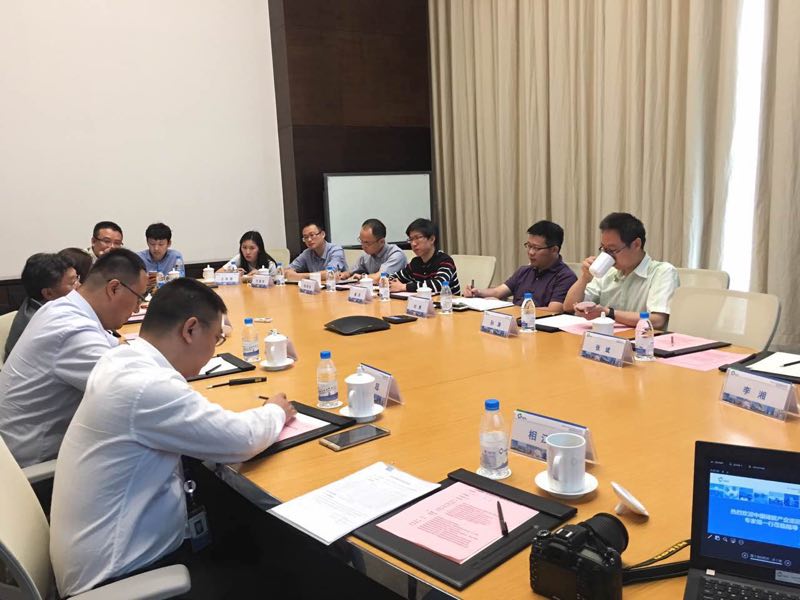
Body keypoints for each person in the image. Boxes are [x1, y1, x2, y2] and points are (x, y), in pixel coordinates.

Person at [50, 278, 297, 597]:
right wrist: (276, 410)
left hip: (103, 552)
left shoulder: (121, 359)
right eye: (216, 338)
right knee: (273, 573)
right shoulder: (147, 386)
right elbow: (243, 440)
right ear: (190, 329)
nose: (214, 350)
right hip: (121, 577)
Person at [0, 249, 147, 468]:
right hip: (34, 467)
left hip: (24, 446)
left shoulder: (64, 308)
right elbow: (136, 394)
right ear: (114, 288)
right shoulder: (71, 329)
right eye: (138, 298)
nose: (137, 308)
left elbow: (118, 347)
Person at [563, 212, 679, 329]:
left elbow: (657, 320)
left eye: (612, 250)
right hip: (607, 336)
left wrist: (609, 313)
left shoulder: (663, 272)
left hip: (644, 338)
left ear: (636, 244)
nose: (608, 255)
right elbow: (568, 307)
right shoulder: (607, 272)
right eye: (604, 249)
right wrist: (585, 278)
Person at [463, 220, 577, 310]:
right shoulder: (524, 271)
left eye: (536, 248)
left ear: (554, 250)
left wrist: (508, 308)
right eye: (529, 246)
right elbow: (498, 292)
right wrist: (478, 292)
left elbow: (554, 310)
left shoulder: (565, 276)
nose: (531, 252)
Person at [4, 253, 78, 361]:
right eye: (73, 282)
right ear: (48, 293)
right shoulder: (44, 326)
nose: (79, 285)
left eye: (77, 278)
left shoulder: (35, 302)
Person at [389, 218, 461, 294]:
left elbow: (438, 285)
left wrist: (404, 287)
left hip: (447, 301)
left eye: (418, 238)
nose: (413, 243)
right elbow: (394, 277)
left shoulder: (445, 261)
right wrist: (389, 281)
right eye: (411, 239)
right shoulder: (415, 263)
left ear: (432, 239)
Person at [337, 218, 408, 282]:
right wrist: (345, 274)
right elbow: (352, 271)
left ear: (381, 242)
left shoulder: (396, 255)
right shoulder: (366, 255)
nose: (363, 246)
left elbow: (380, 278)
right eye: (361, 241)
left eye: (367, 243)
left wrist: (362, 277)